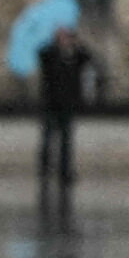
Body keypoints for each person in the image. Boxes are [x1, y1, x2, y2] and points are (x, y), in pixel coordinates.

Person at [37, 28, 94, 186]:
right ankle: (45, 170)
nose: (64, 40)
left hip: (67, 105)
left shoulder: (74, 56)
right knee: (48, 140)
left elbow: (88, 57)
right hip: (51, 104)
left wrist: (76, 45)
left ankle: (65, 171)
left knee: (66, 142)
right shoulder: (51, 54)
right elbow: (42, 54)